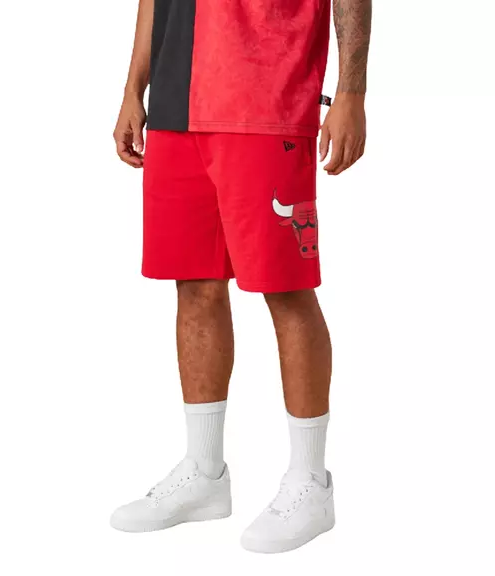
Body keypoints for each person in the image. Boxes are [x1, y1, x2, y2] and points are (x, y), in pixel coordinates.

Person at [110, 0, 371, 553]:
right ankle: (204, 473)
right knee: (193, 285)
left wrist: (351, 92)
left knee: (286, 288)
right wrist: (134, 87)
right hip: (176, 103)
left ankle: (311, 483)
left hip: (265, 96)